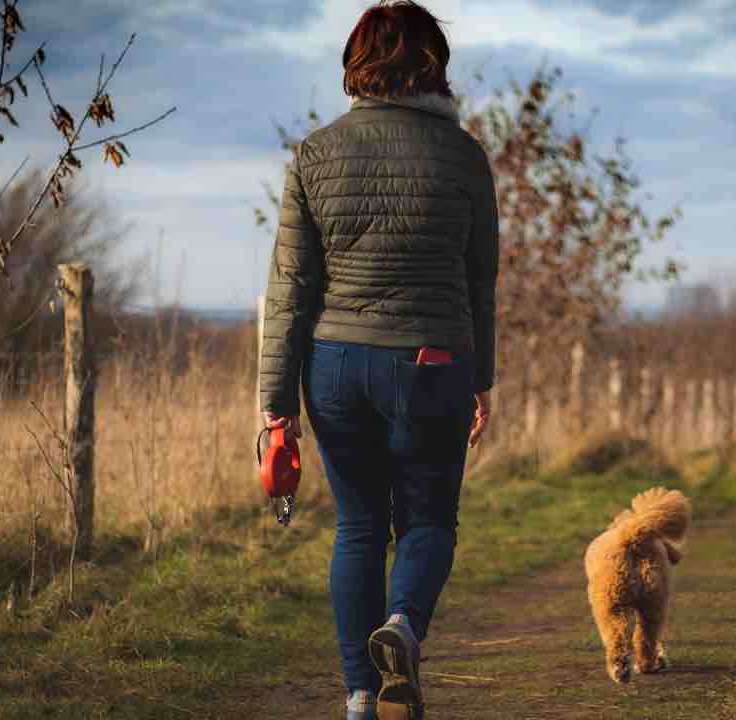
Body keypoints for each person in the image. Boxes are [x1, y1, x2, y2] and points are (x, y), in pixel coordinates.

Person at [257, 2, 498, 718]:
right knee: (427, 522)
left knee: (358, 526)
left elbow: (291, 286)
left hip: (335, 366)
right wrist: (481, 378)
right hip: (433, 359)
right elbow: (479, 278)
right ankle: (403, 629)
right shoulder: (464, 156)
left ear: (358, 64)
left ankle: (361, 698)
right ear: (433, 66)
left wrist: (276, 402)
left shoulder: (315, 153)